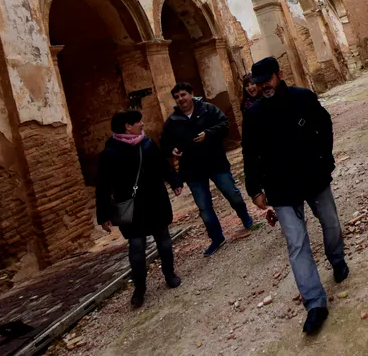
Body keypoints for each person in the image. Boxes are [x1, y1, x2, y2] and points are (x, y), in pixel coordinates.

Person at [241, 56, 348, 336]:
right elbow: (250, 153)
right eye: (258, 82)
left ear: (278, 75)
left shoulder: (302, 98)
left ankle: (337, 259)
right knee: (297, 244)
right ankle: (315, 304)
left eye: (267, 80)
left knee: (331, 223)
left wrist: (326, 157)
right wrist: (254, 189)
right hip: (280, 188)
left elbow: (324, 125)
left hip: (313, 176)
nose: (263, 86)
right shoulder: (253, 115)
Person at [96, 109, 183, 309]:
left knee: (163, 239)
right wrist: (104, 214)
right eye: (138, 121)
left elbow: (162, 165)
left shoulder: (147, 143)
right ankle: (140, 288)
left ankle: (170, 275)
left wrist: (174, 180)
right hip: (131, 207)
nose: (142, 124)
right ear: (128, 126)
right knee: (136, 247)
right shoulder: (109, 153)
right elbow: (103, 186)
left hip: (155, 200)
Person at [161, 82, 255, 256]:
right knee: (204, 207)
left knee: (232, 194)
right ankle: (217, 238)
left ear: (191, 94)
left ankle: (247, 219)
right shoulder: (172, 121)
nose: (180, 99)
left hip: (215, 162)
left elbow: (224, 126)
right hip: (192, 170)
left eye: (183, 95)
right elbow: (165, 143)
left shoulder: (208, 109)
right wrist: (171, 150)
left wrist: (208, 134)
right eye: (177, 97)